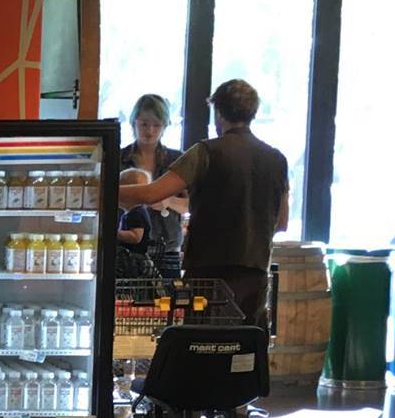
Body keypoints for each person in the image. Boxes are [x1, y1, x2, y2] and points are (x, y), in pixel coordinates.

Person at [118, 78, 288, 331]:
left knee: (203, 347)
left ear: (218, 112)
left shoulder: (205, 152)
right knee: (246, 348)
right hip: (255, 273)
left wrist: (101, 191)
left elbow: (153, 193)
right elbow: (282, 223)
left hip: (209, 275)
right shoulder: (276, 159)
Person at [124, 93, 185, 276]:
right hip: (128, 249)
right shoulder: (119, 158)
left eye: (156, 125)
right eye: (144, 124)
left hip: (168, 249)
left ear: (165, 126)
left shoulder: (178, 160)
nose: (149, 131)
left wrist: (168, 201)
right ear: (134, 122)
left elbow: (193, 204)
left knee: (169, 303)